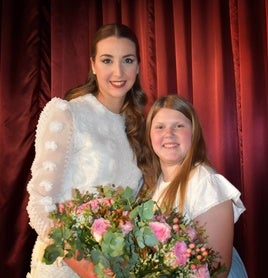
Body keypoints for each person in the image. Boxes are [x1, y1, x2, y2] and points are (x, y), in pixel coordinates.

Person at [26, 23, 147, 278]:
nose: (118, 71)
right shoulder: (68, 113)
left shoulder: (139, 127)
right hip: (66, 265)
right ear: (93, 65)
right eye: (107, 60)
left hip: (116, 269)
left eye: (127, 60)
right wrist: (86, 267)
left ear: (138, 66)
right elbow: (39, 204)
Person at [140, 95, 247, 278]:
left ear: (194, 133)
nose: (169, 133)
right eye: (159, 127)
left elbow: (217, 270)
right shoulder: (154, 184)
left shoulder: (206, 183)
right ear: (150, 136)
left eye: (179, 126)